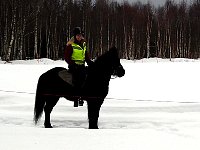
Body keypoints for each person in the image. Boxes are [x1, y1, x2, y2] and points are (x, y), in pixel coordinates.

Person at [64, 27, 93, 107]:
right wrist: (73, 64)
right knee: (78, 79)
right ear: (75, 36)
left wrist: (91, 63)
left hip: (82, 66)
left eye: (80, 35)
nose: (79, 37)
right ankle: (76, 97)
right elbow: (66, 57)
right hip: (74, 67)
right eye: (77, 35)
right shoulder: (71, 45)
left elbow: (86, 56)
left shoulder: (83, 44)